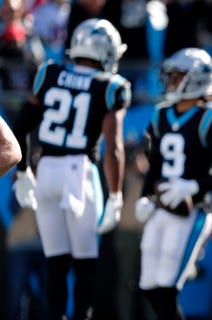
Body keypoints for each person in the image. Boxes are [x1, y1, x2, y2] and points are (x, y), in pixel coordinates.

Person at [11, 18, 129, 320]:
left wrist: (23, 171)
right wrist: (115, 195)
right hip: (80, 173)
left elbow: (21, 126)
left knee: (56, 262)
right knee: (86, 262)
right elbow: (113, 146)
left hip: (46, 170)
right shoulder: (109, 86)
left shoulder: (50, 73)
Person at [133, 47, 212, 320]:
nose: (170, 82)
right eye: (171, 77)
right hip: (162, 206)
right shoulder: (161, 114)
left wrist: (191, 186)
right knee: (148, 286)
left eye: (177, 77)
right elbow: (155, 162)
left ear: (197, 80)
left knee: (166, 288)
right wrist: (145, 196)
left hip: (192, 211)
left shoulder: (210, 117)